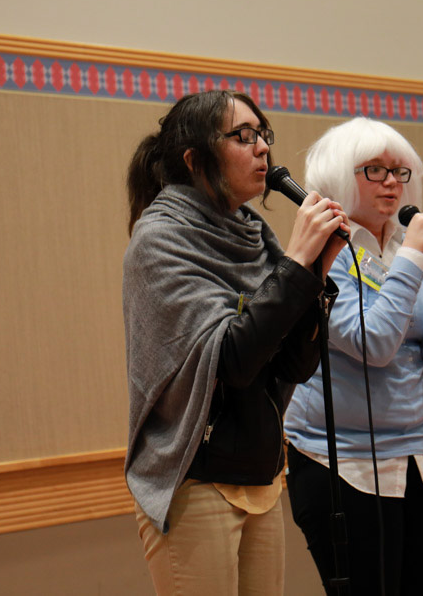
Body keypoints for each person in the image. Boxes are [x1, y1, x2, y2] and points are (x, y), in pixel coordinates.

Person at [123, 90, 349, 595]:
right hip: (195, 478)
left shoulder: (255, 236)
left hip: (260, 472)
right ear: (194, 159)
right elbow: (232, 361)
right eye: (243, 136)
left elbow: (293, 366)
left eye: (263, 134)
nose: (263, 148)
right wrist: (295, 265)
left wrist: (316, 273)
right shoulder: (159, 240)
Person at [284, 117, 423, 596]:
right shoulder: (325, 252)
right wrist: (413, 257)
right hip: (342, 466)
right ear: (338, 175)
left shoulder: (406, 245)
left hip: (422, 460)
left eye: (399, 171)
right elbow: (373, 344)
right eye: (375, 169)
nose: (392, 182)